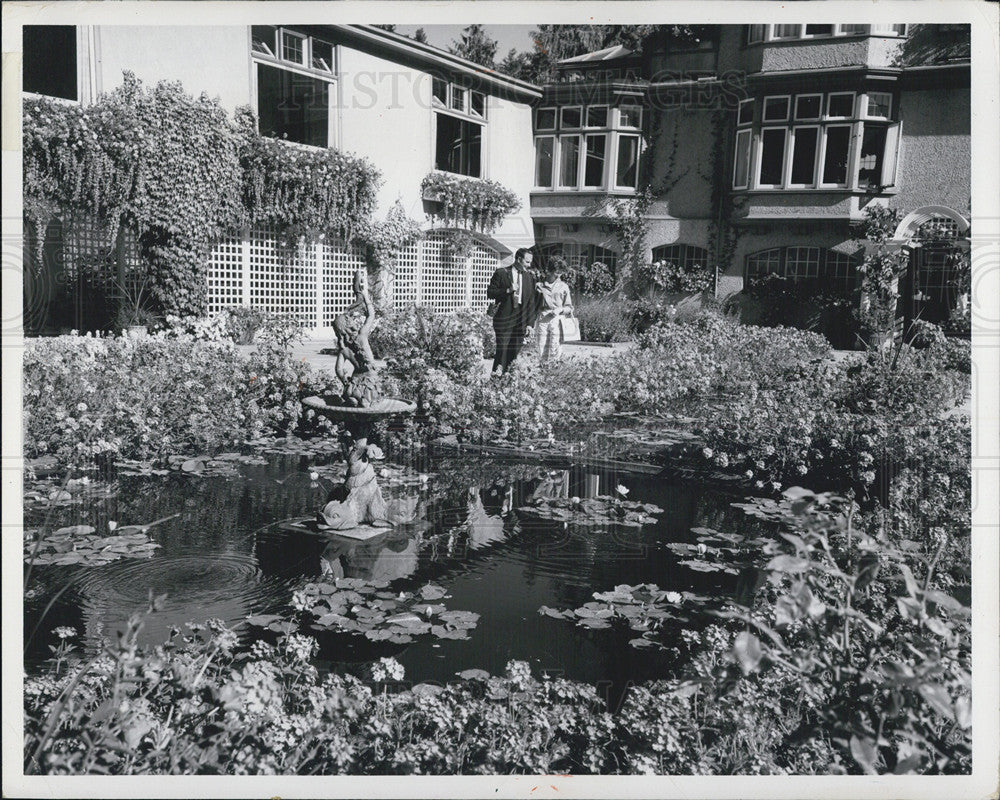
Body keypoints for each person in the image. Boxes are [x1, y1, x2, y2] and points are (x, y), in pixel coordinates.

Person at [487, 248, 540, 374]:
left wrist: (530, 324)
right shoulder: (502, 273)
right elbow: (490, 292)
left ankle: (509, 380)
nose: (529, 265)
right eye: (527, 262)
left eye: (530, 262)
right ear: (519, 259)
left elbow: (531, 302)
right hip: (504, 317)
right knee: (502, 350)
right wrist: (507, 290)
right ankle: (496, 380)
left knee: (514, 352)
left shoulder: (529, 277)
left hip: (521, 319)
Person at [534, 257, 574, 363]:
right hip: (543, 319)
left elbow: (569, 307)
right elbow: (533, 305)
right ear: (549, 270)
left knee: (555, 349)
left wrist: (560, 310)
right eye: (556, 272)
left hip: (557, 319)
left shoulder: (564, 287)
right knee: (541, 349)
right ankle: (541, 374)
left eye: (560, 273)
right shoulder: (539, 286)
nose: (558, 276)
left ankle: (553, 375)